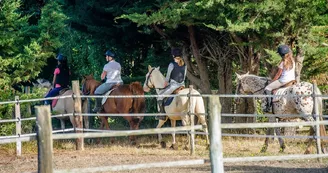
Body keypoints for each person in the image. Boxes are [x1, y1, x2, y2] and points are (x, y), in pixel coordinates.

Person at [156, 48, 187, 120]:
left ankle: (162, 115)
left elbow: (167, 77)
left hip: (173, 86)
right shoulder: (185, 65)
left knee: (160, 96)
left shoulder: (171, 64)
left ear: (173, 56)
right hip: (182, 85)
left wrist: (165, 85)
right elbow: (184, 77)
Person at [264, 44, 295, 112]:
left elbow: (278, 74)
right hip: (292, 80)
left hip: (283, 81)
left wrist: (272, 81)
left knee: (267, 88)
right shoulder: (293, 60)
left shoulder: (283, 62)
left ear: (281, 54)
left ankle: (268, 107)